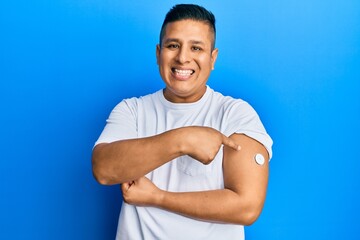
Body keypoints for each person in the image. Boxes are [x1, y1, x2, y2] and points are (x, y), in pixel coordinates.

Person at [92, 4, 273, 240]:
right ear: (158, 53)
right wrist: (184, 140)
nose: (183, 58)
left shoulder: (235, 114)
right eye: (173, 45)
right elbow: (104, 170)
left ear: (212, 58)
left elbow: (246, 206)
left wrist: (158, 197)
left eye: (196, 47)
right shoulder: (131, 110)